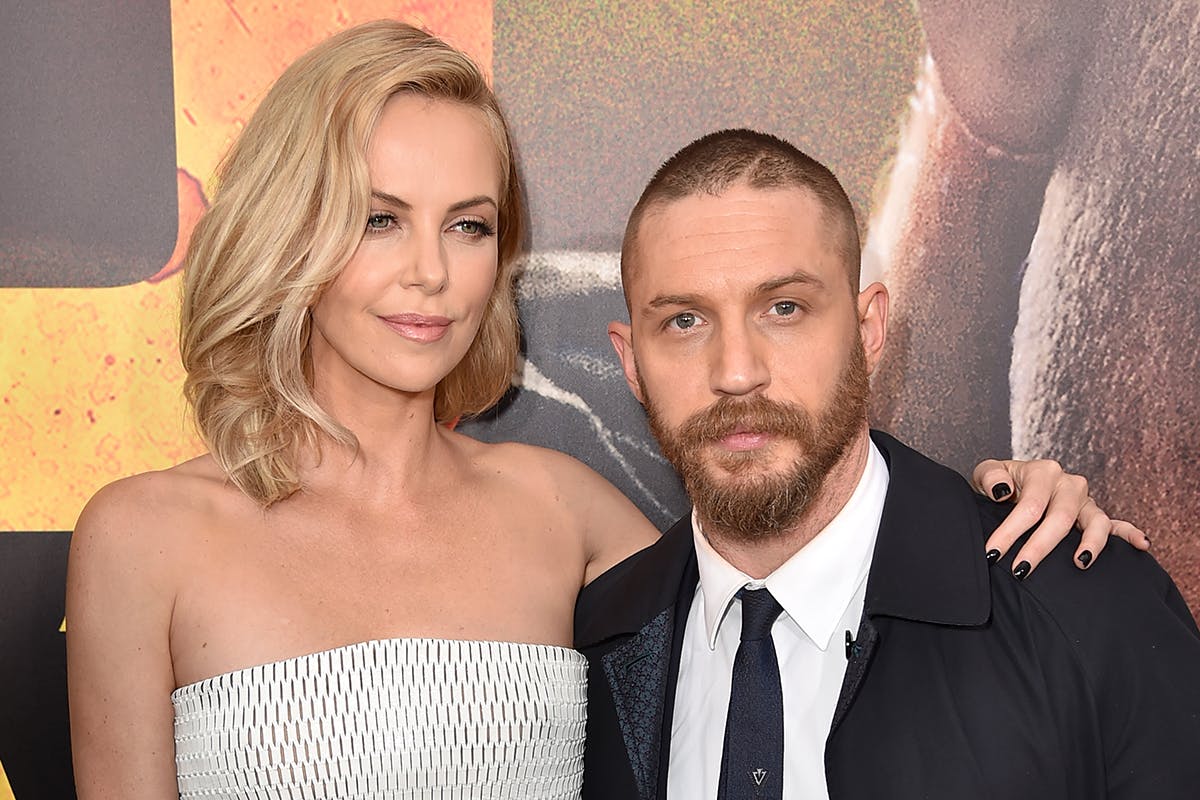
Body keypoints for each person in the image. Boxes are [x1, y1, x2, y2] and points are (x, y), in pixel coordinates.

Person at [65, 21, 1138, 800]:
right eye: (378, 219)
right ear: (290, 225)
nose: (432, 273)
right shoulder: (144, 537)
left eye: (470, 225)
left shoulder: (568, 514)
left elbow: (819, 567)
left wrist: (1003, 502)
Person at [577, 128, 1200, 800]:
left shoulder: (1089, 608)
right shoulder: (587, 648)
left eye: (784, 308)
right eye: (684, 322)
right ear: (631, 363)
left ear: (869, 330)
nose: (736, 372)